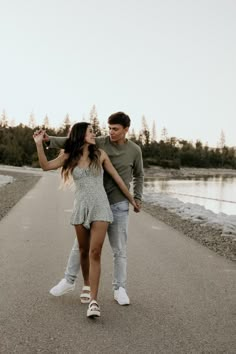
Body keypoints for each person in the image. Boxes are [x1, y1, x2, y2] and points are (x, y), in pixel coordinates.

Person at [33, 122, 138, 318]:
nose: (94, 134)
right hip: (81, 208)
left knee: (95, 252)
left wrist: (133, 200)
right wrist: (40, 143)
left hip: (101, 207)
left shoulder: (100, 154)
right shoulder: (68, 156)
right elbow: (45, 166)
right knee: (82, 251)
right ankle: (86, 285)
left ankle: (94, 302)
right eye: (90, 131)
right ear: (81, 135)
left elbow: (117, 178)